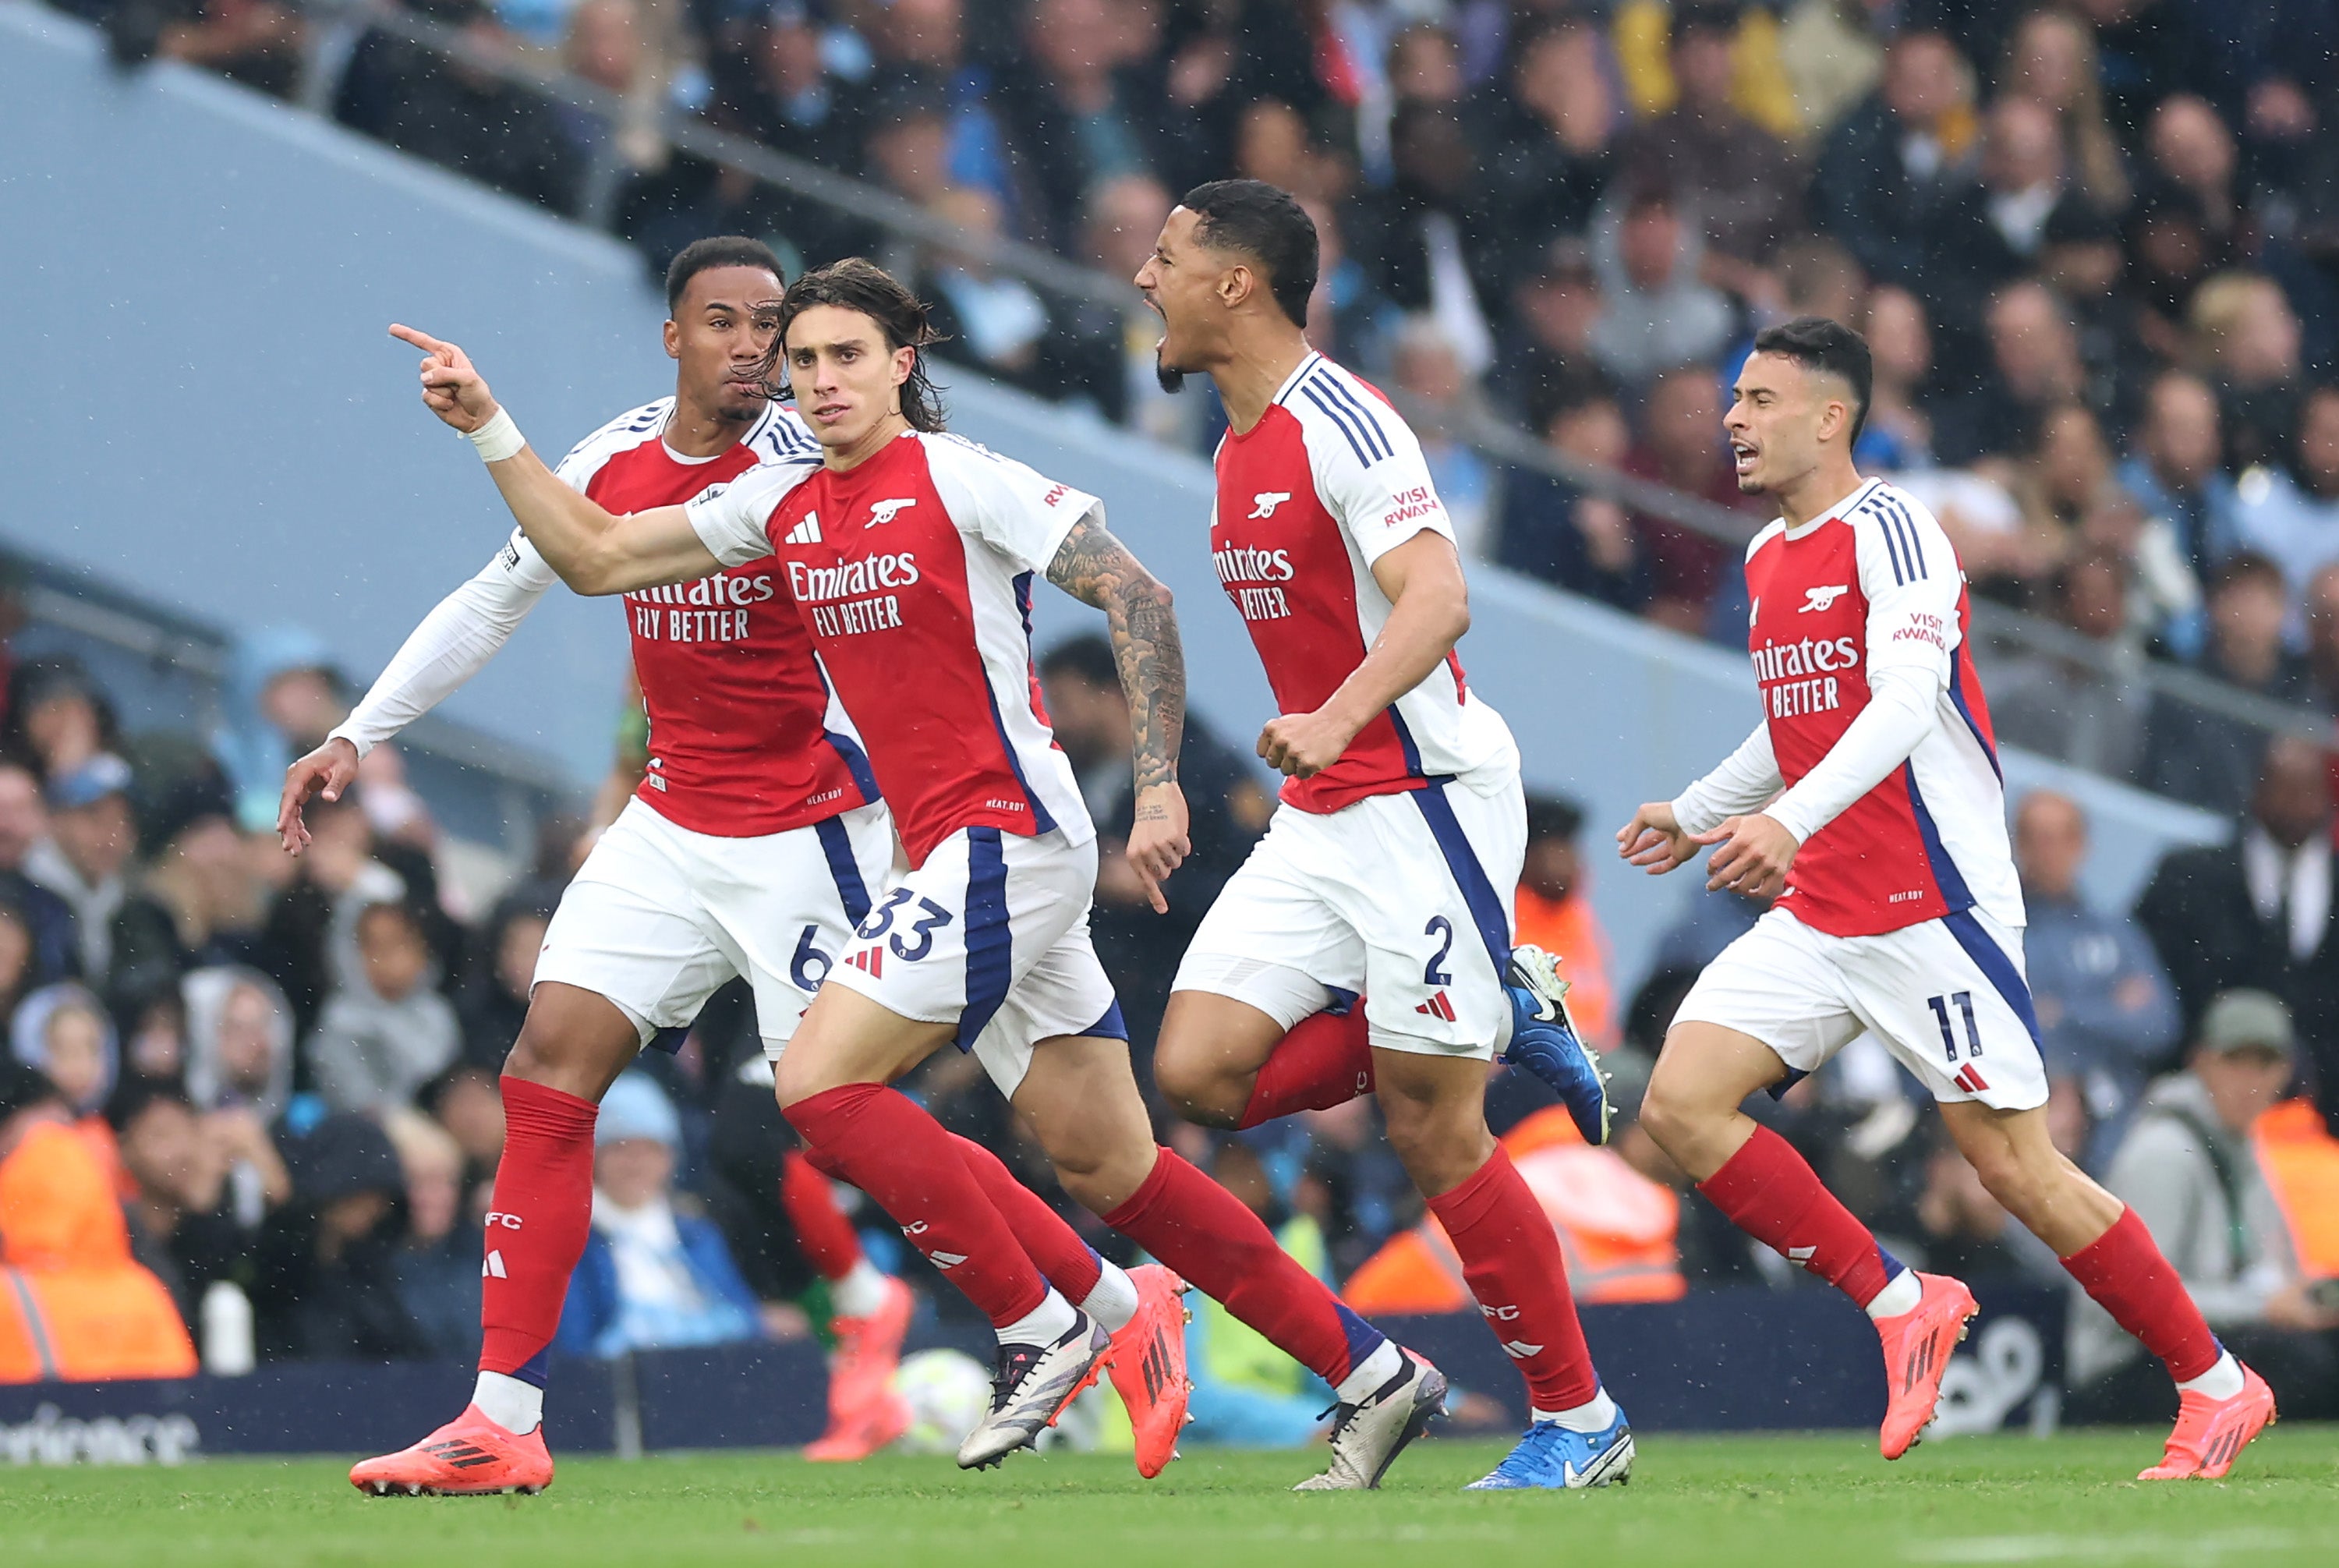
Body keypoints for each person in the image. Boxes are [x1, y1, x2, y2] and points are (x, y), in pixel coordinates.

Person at [375, 255, 1400, 1491]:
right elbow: (590, 557)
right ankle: (1370, 1371)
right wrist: (490, 425)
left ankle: (1046, 1322)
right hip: (947, 849)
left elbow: (1135, 591)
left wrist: (1163, 777)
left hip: (1000, 837)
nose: (812, 378)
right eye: (800, 359)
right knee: (1113, 1162)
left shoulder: (959, 475)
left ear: (903, 362)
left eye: (840, 354)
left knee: (816, 1088)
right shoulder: (783, 501)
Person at [306, 238, 960, 1491]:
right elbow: (501, 595)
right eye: (725, 321)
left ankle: (1062, 1298)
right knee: (546, 1067)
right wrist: (357, 731)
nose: (754, 346)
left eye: (773, 325)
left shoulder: (808, 467)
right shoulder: (614, 453)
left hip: (808, 835)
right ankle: (501, 1417)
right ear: (673, 336)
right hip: (670, 826)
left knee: (831, 1118)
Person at [1615, 316, 2275, 1482]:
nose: (1734, 419)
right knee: (1679, 1102)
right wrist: (1701, 804)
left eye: (1761, 399)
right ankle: (1899, 1298)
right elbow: (1795, 720)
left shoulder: (1897, 531)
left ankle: (2219, 1382)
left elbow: (1907, 698)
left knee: (2017, 1169)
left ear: (1832, 415)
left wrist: (1783, 822)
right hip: (1825, 907)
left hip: (1933, 905)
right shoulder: (1770, 556)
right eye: (1735, 400)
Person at [1134, 179, 1629, 1493]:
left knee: (1432, 1125)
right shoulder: (1236, 445)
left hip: (1422, 802)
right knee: (1197, 1073)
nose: (1145, 277)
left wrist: (1340, 710)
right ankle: (1496, 1000)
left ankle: (1577, 1417)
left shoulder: (1344, 422)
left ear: (1238, 282)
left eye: (1168, 257)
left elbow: (1441, 596)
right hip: (1325, 815)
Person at [2069, 993, 2339, 1425]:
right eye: (2236, 1062)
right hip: (2122, 1369)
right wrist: (2264, 1308)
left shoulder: (2245, 1146)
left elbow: (2274, 1271)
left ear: (2285, 1072)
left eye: (2264, 1065)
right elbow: (2138, 1300)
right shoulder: (2163, 1151)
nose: (2250, 1081)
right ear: (2203, 1063)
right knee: (2299, 1365)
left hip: (2204, 1346)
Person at [2012, 791, 2181, 1159]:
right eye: (2036, 838)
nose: (2048, 851)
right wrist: (2111, 1006)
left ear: (2082, 845)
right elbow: (2022, 1029)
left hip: (2117, 1123)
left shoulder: (2117, 932)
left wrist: (2066, 1012)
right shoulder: (2000, 929)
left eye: (2061, 838)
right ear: (2018, 844)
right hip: (2028, 1113)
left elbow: (2159, 1027)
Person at [553, 1072, 762, 1358]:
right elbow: (575, 1343)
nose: (635, 1164)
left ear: (670, 1158)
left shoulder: (697, 1234)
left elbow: (746, 1323)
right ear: (594, 1157)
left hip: (714, 1378)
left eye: (650, 1150)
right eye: (620, 1149)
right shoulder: (573, 1241)